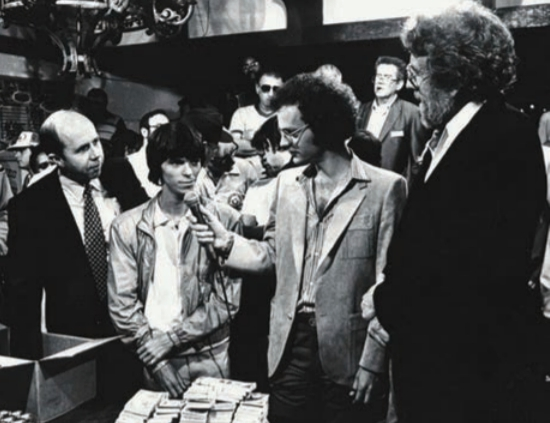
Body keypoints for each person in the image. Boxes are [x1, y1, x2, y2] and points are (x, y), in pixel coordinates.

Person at [191, 74, 407, 423]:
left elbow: (389, 284)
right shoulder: (287, 184)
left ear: (323, 126)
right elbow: (273, 255)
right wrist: (228, 242)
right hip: (291, 346)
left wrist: (373, 361)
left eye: (292, 133)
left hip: (349, 351)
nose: (284, 142)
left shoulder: (386, 189)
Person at [369, 3, 547, 422]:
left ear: (454, 73)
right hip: (435, 365)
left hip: (466, 377)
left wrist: (385, 299)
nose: (413, 87)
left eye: (417, 74)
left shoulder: (506, 136)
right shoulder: (447, 134)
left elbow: (474, 271)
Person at [108, 121, 242, 398]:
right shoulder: (127, 226)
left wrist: (173, 338)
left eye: (194, 161)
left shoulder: (225, 219)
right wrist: (156, 360)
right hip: (155, 353)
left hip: (211, 353)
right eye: (177, 162)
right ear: (158, 166)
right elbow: (122, 304)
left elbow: (228, 299)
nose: (189, 171)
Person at [5, 109, 148, 359]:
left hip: (136, 326)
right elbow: (23, 294)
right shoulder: (30, 206)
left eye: (96, 142)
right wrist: (29, 365)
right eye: (82, 149)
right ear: (56, 159)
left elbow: (149, 230)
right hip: (74, 338)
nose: (96, 155)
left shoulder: (120, 174)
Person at [356, 56, 428, 179]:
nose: (380, 81)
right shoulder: (361, 110)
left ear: (399, 84)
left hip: (393, 186)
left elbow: (416, 162)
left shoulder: (411, 113)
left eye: (387, 77)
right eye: (379, 76)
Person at [189, 107, 257, 211]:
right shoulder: (196, 176)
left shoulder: (245, 169)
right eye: (221, 159)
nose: (231, 160)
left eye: (232, 153)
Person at [229, 68, 284, 177]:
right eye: (265, 88)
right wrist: (271, 147)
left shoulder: (288, 115)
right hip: (248, 175)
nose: (271, 94)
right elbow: (233, 146)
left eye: (276, 89)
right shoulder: (242, 114)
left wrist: (250, 140)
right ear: (257, 88)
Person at [128, 109, 170, 197]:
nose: (165, 132)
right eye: (159, 127)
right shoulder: (130, 162)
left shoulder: (173, 161)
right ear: (144, 132)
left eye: (168, 127)